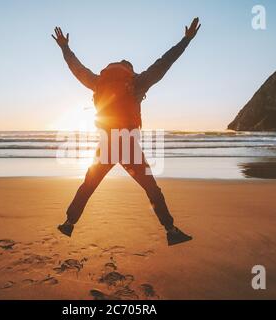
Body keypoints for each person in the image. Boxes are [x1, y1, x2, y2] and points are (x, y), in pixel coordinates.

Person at [52, 18, 201, 246]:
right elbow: (164, 63)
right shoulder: (136, 82)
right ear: (129, 70)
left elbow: (77, 69)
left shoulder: (99, 82)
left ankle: (69, 224)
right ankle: (170, 230)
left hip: (107, 143)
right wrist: (186, 40)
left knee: (88, 185)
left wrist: (64, 47)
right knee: (151, 188)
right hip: (127, 144)